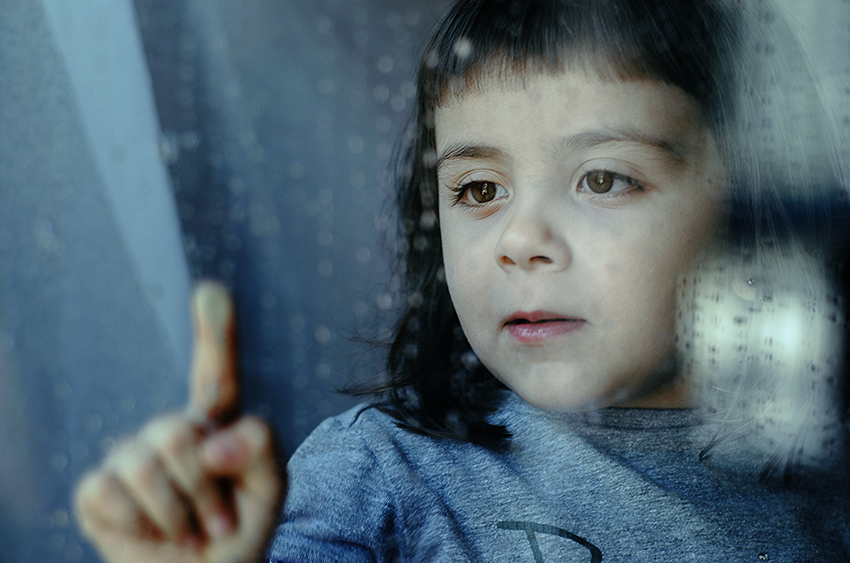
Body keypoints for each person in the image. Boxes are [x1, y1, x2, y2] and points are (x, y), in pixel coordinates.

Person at [74, 0, 850, 561]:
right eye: (479, 189)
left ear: (753, 204)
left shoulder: (822, 475)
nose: (520, 240)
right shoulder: (382, 474)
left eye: (603, 178)